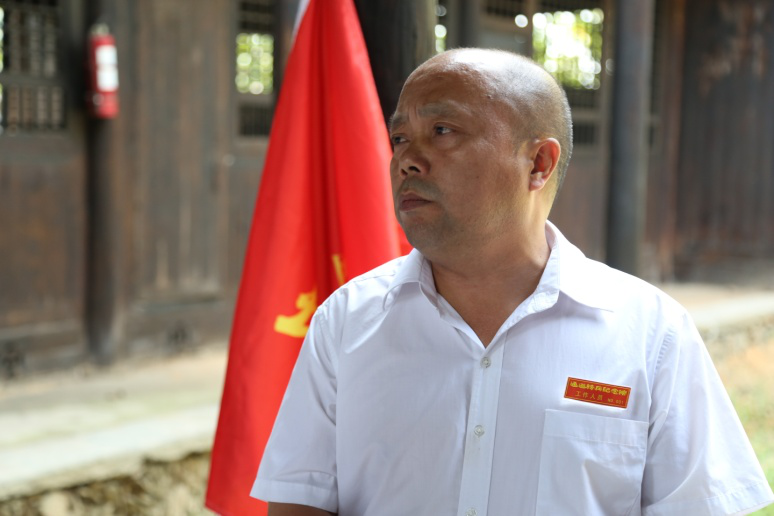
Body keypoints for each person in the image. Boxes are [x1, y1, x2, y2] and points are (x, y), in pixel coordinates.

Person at [251, 48, 774, 516]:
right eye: (400, 138)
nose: (407, 159)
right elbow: (299, 502)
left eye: (443, 131)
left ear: (538, 163)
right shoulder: (347, 322)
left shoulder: (650, 333)